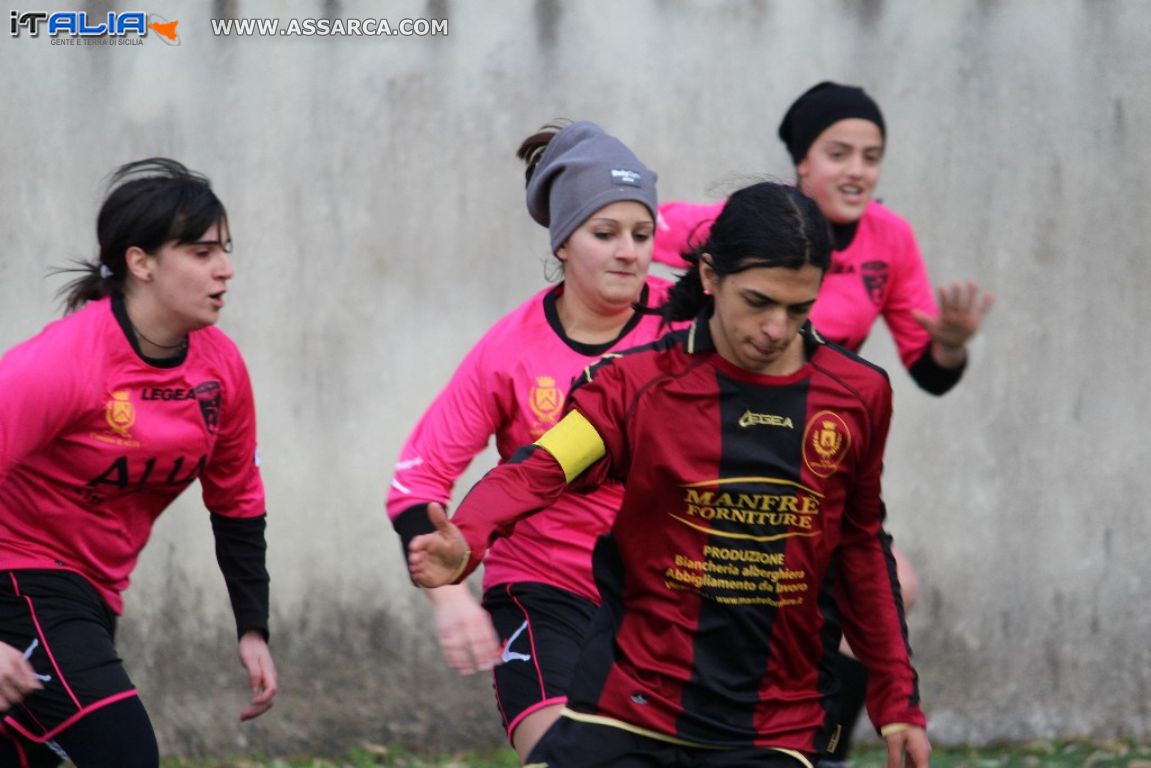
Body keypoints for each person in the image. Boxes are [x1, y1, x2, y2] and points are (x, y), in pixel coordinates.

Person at [409, 180, 932, 768]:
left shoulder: (857, 394)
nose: (776, 329)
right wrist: (469, 535)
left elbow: (861, 547)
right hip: (630, 708)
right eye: (758, 302)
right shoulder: (634, 385)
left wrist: (897, 699)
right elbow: (540, 470)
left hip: (773, 723)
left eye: (798, 309)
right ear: (710, 276)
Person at [654, 81, 992, 765]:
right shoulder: (746, 223)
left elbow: (927, 368)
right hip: (718, 438)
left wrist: (952, 345)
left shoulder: (890, 239)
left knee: (886, 590)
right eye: (838, 153)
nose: (857, 171)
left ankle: (819, 751)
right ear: (801, 161)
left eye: (872, 156)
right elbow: (629, 226)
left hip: (808, 453)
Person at [387, 120, 677, 762]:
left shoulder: (687, 322)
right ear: (564, 242)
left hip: (664, 595)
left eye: (642, 234)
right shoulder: (509, 350)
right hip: (544, 591)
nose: (628, 252)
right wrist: (449, 597)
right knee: (565, 756)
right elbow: (416, 483)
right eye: (605, 234)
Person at [0, 158, 277, 767]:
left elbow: (236, 502)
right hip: (18, 576)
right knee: (124, 752)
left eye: (225, 250)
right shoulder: (61, 363)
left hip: (94, 592)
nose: (225, 269)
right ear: (140, 262)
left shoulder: (220, 367)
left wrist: (252, 628)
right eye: (202, 253)